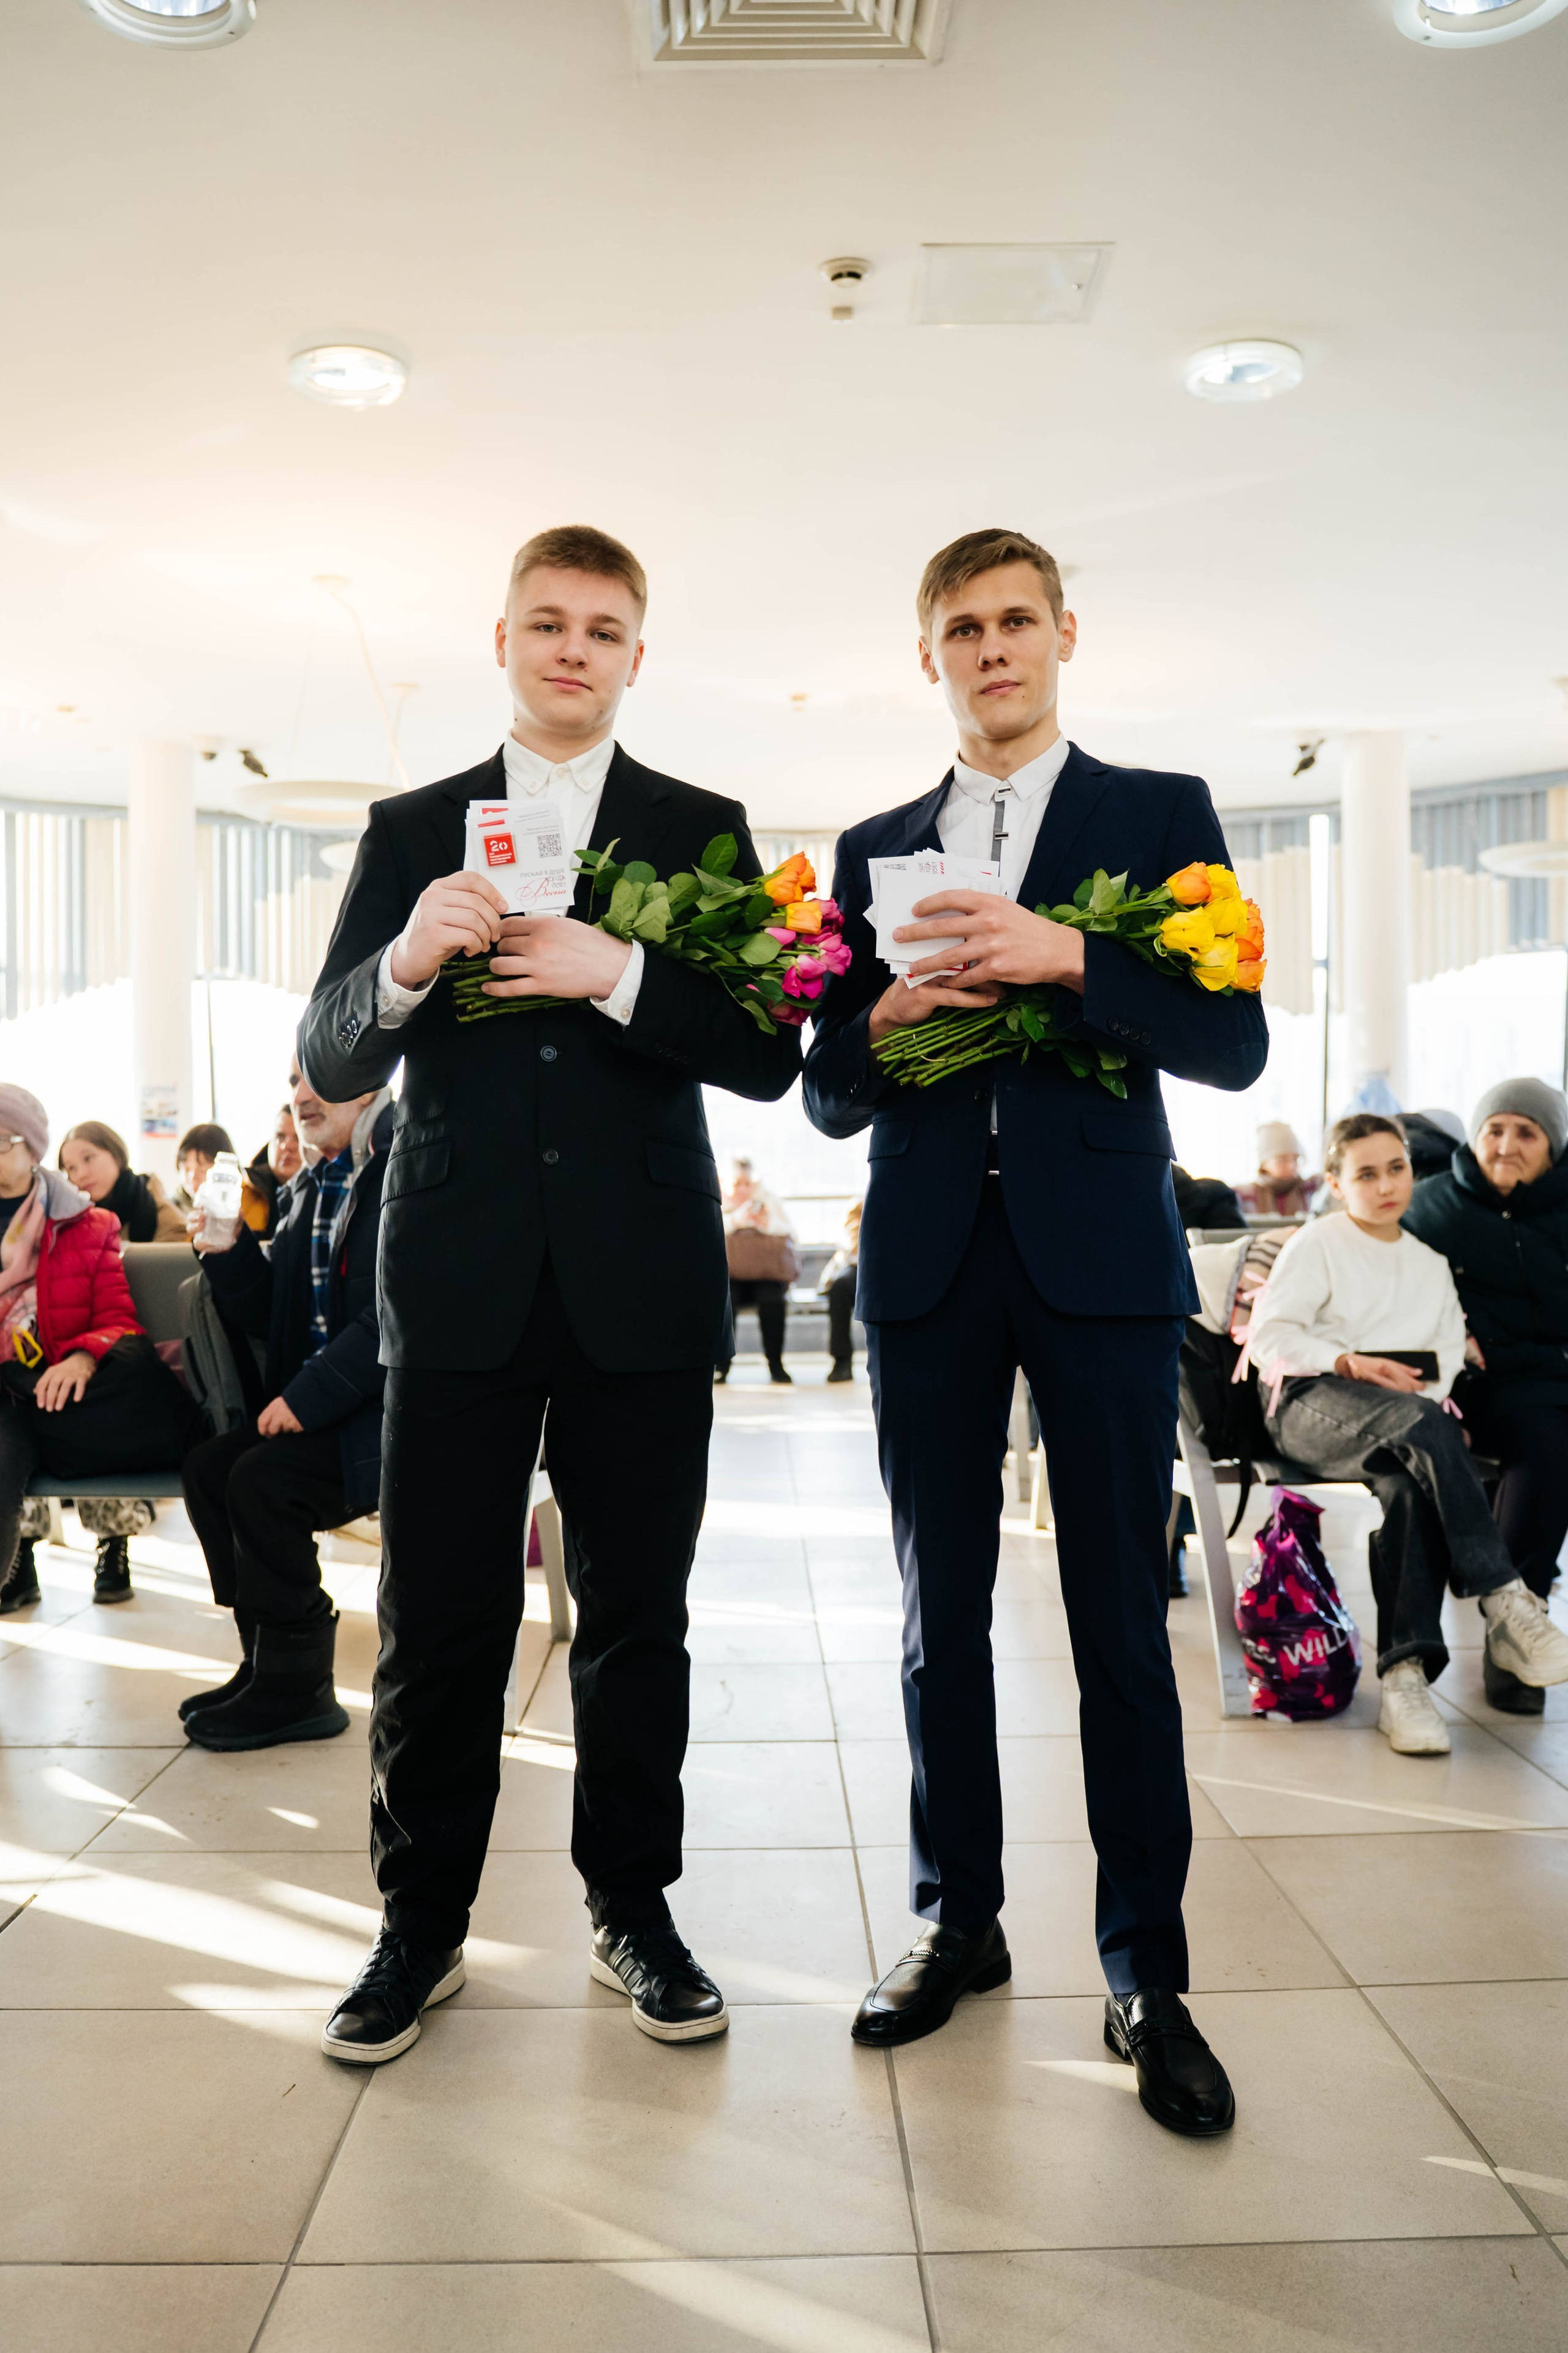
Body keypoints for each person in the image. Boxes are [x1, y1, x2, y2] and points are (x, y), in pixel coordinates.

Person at [298, 523, 801, 2065]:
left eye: (601, 627)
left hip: (641, 1287)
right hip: (450, 1284)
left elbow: (768, 1047)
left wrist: (619, 970)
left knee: (635, 1615)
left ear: (635, 655)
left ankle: (631, 1910)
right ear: (502, 641)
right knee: (439, 1616)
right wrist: (398, 965)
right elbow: (328, 1056)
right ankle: (418, 1926)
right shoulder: (408, 825)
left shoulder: (699, 825)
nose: (571, 647)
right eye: (546, 623)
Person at [804, 526, 1267, 2138]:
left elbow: (1235, 1038)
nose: (990, 647)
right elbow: (824, 1090)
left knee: (1120, 1631)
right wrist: (880, 1019)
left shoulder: (1159, 818)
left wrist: (1073, 957)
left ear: (1066, 632)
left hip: (1100, 1260)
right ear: (925, 654)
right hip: (929, 1259)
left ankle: (1149, 1967)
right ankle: (960, 1921)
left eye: (1015, 620)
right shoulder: (871, 845)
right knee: (938, 1617)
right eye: (959, 627)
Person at [1248, 1112, 1568, 1754]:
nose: (1387, 1184)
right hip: (1310, 1401)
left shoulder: (1426, 1261)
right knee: (1423, 1425)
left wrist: (1408, 1384)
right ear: (1336, 1184)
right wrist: (1349, 1362)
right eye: (1366, 1173)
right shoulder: (1318, 1242)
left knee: (1408, 1489)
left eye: (1396, 1168)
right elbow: (1268, 1338)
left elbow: (1446, 1357)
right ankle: (1504, 1593)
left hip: (1404, 1419)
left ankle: (1404, 1677)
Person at [179, 1066, 391, 1751]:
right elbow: (275, 1314)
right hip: (329, 1406)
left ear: (369, 1085)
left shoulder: (403, 1167)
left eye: (317, 1080)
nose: (299, 1097)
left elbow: (398, 1316)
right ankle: (268, 1664)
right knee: (212, 1468)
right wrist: (229, 1251)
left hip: (389, 1415)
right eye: (294, 1081)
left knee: (262, 1480)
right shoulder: (312, 1185)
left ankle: (301, 1690)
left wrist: (307, 1396)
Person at [1403, 1079, 1568, 1714]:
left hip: (1553, 1373)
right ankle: (1515, 1619)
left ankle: (1515, 1606)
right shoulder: (1431, 1205)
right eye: (1494, 1129)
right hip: (1475, 1382)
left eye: (1525, 1132)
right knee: (1546, 1447)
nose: (1505, 1144)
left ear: (1552, 1145)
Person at [0, 1086, 195, 1615]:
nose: (82, 1169)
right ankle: (21, 1555)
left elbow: (118, 1317)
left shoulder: (97, 1222)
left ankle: (112, 1543)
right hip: (16, 1391)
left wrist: (83, 1354)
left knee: (56, 1400)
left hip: (67, 1385)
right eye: (74, 1161)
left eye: (0, 1140)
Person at [715, 1157, 797, 1386]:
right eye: (737, 1183)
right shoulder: (717, 1201)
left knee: (774, 1301)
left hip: (768, 1275)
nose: (743, 1189)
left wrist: (765, 1224)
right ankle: (721, 1366)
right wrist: (735, 1221)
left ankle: (776, 1364)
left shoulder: (768, 1201)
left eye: (747, 1183)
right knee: (725, 1302)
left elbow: (790, 1233)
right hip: (731, 1277)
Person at [58, 1121, 189, 1244]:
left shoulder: (167, 1222)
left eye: (88, 1158)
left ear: (116, 1154)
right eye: (71, 1168)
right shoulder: (66, 1224)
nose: (81, 1174)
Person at [241, 1102, 303, 1238]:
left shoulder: (325, 1191)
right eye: (280, 1137)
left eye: (298, 1138)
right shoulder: (244, 1191)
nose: (286, 1146)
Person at [1236, 1121, 1316, 1218]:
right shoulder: (1244, 1196)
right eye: (1282, 1160)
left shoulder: (1311, 1190)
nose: (1291, 1166)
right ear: (1264, 1163)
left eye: (1295, 1159)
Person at [821, 1198, 862, 1383]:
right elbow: (849, 1249)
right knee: (839, 1289)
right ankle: (842, 1361)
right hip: (856, 1266)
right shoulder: (856, 1212)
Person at [172, 1122, 235, 1215]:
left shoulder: (241, 1206)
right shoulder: (171, 1210)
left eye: (203, 1171)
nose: (193, 1178)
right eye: (186, 1170)